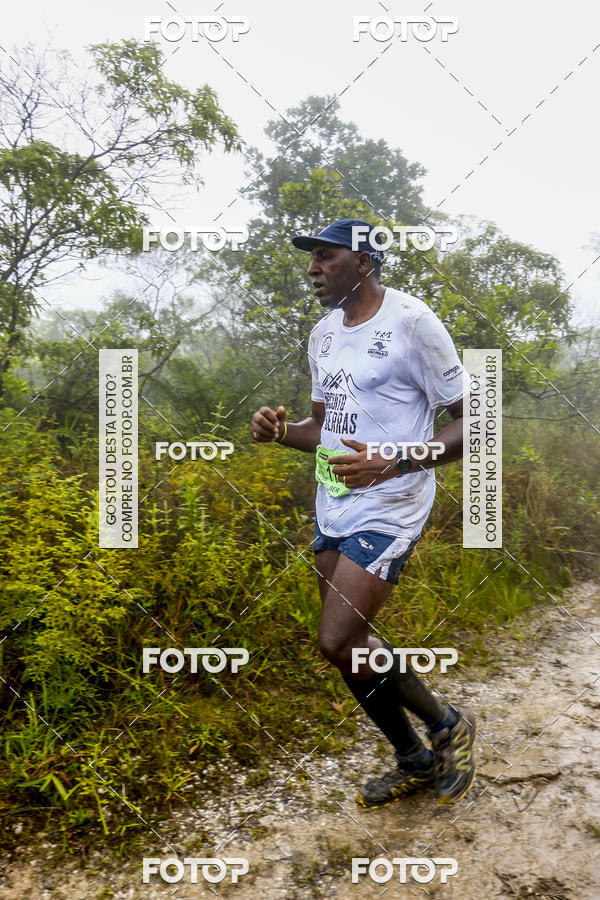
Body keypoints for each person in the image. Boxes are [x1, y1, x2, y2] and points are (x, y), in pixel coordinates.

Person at [250, 218, 475, 808]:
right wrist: (279, 432)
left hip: (393, 503)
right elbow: (322, 428)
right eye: (312, 259)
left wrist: (394, 461)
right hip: (335, 502)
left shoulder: (413, 322)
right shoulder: (323, 335)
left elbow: (474, 424)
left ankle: (448, 723)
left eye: (326, 257)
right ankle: (414, 759)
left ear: (364, 263)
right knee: (351, 646)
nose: (312, 269)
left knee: (336, 638)